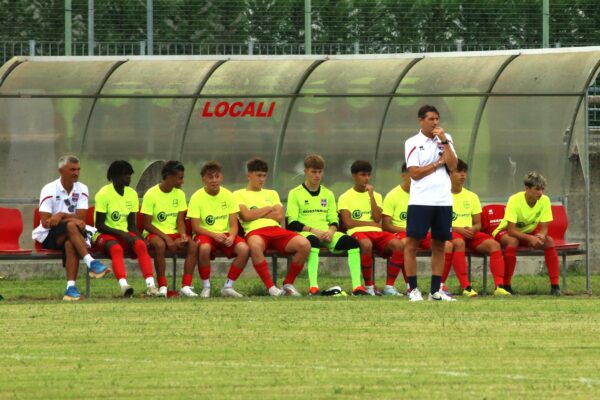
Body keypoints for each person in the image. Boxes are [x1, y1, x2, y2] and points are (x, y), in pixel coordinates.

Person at [32, 155, 110, 301]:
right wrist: (68, 218)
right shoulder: (49, 189)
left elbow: (81, 219)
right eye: (72, 170)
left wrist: (60, 215)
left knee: (70, 242)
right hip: (49, 236)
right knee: (71, 225)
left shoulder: (82, 189)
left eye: (78, 169)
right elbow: (45, 222)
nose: (76, 173)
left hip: (72, 234)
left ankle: (70, 289)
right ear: (61, 171)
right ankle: (91, 263)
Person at [286, 154, 364, 295]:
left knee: (352, 243)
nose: (317, 175)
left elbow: (334, 219)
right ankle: (313, 287)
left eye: (320, 172)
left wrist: (331, 231)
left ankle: (357, 287)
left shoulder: (328, 194)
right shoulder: (295, 193)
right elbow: (292, 223)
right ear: (305, 172)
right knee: (313, 241)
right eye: (313, 172)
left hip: (326, 233)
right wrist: (312, 230)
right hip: (307, 233)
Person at [403, 104, 458, 301]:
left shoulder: (447, 139)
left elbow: (453, 166)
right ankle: (413, 289)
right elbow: (415, 173)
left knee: (440, 244)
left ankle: (435, 291)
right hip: (421, 200)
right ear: (421, 120)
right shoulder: (413, 142)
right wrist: (437, 163)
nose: (435, 123)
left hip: (443, 200)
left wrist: (444, 142)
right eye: (431, 119)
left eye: (437, 119)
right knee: (412, 243)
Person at [234, 158, 311, 296]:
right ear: (248, 175)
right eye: (258, 175)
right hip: (255, 232)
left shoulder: (272, 193)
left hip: (276, 231)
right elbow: (246, 216)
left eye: (264, 176)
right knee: (255, 246)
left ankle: (288, 284)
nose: (262, 179)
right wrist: (268, 208)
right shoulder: (238, 194)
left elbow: (279, 216)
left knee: (304, 244)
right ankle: (271, 288)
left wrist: (256, 213)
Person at [382, 162, 453, 293]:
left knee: (446, 245)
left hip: (422, 232)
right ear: (403, 175)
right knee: (405, 243)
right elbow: (386, 225)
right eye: (412, 175)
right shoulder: (392, 195)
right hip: (402, 232)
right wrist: (407, 230)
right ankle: (394, 286)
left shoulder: (424, 194)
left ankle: (439, 286)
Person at [443, 159, 511, 296]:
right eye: (458, 172)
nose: (462, 175)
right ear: (448, 174)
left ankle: (499, 286)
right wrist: (458, 229)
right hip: (451, 233)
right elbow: (437, 223)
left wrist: (473, 229)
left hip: (470, 234)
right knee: (459, 243)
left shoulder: (472, 196)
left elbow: (478, 224)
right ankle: (466, 287)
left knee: (494, 245)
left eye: (464, 172)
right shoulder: (441, 195)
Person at [338, 160, 405, 296]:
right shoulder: (345, 197)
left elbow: (376, 218)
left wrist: (371, 197)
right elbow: (348, 223)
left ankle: (389, 287)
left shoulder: (377, 195)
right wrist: (370, 224)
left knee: (398, 245)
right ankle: (369, 286)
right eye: (363, 175)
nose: (366, 178)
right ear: (354, 176)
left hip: (377, 233)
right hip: (357, 233)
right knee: (366, 245)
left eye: (368, 175)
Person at [94, 160, 158, 297]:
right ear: (115, 176)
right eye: (126, 175)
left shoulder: (132, 194)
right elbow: (99, 225)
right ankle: (124, 286)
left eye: (130, 175)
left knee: (140, 245)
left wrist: (142, 239)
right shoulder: (103, 194)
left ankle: (151, 286)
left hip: (123, 233)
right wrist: (122, 234)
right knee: (116, 249)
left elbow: (131, 225)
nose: (129, 178)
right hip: (104, 234)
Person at [492, 171, 561, 296]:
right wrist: (530, 238)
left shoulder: (545, 200)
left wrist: (541, 236)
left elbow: (544, 227)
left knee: (549, 241)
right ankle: (506, 286)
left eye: (542, 189)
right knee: (513, 241)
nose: (540, 192)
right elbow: (511, 230)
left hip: (528, 232)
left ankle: (555, 287)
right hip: (505, 231)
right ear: (527, 188)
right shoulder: (514, 199)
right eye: (537, 189)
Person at [188, 161, 250, 298]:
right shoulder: (196, 197)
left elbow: (234, 224)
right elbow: (196, 227)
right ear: (203, 179)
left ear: (221, 177)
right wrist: (214, 234)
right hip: (205, 234)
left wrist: (232, 237)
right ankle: (206, 286)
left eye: (217, 176)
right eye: (210, 177)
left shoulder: (229, 195)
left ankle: (228, 286)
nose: (214, 180)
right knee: (204, 248)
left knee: (244, 249)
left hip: (225, 234)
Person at [141, 161, 198, 297]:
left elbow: (180, 220)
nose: (182, 181)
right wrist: (167, 239)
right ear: (169, 177)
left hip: (173, 234)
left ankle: (185, 286)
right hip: (154, 233)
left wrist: (183, 234)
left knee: (193, 245)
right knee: (160, 245)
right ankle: (162, 287)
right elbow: (147, 224)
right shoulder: (151, 194)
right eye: (180, 178)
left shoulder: (179, 194)